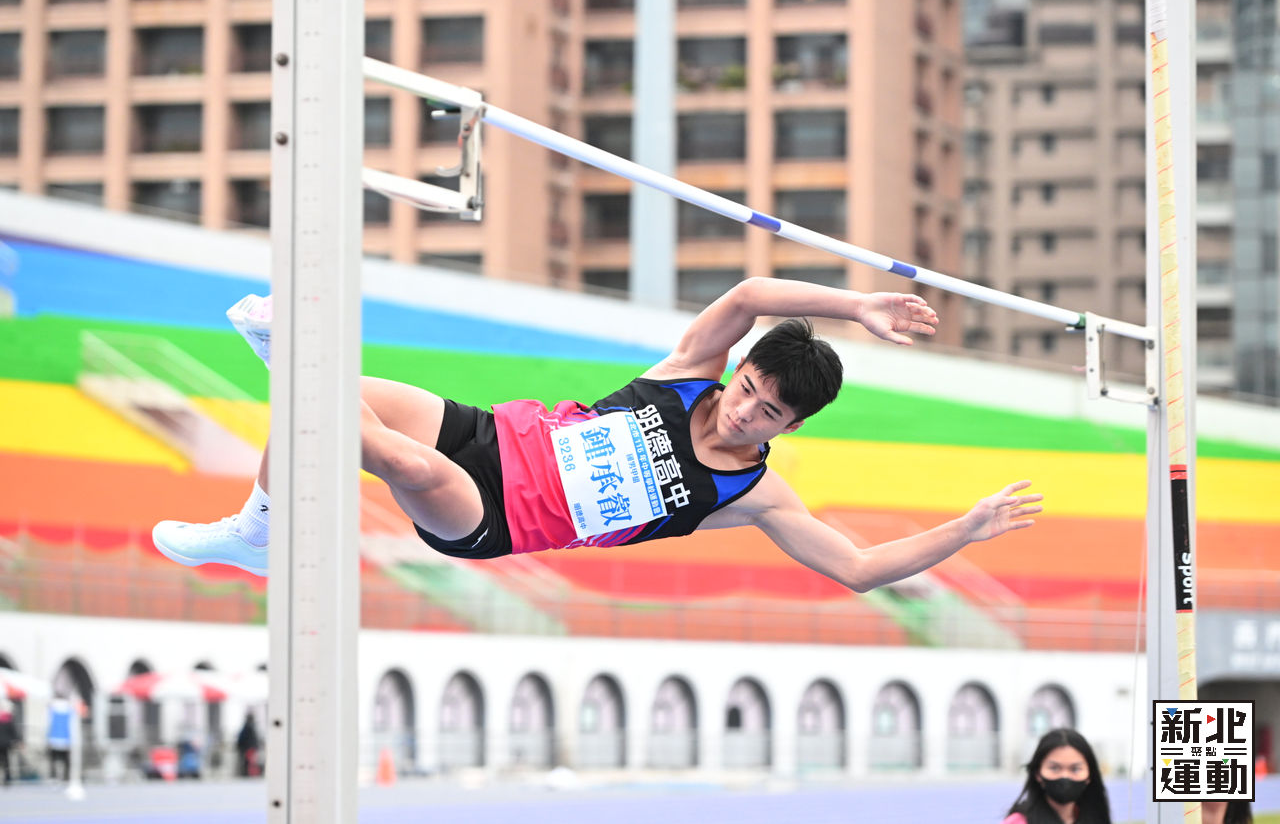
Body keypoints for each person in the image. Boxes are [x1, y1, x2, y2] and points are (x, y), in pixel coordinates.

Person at [153, 278, 1043, 591]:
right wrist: (855, 307)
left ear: (793, 425)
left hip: (490, 515)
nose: (745, 412)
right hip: (490, 433)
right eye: (749, 390)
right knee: (338, 398)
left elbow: (857, 568)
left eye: (768, 413)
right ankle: (260, 525)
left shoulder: (753, 493)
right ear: (739, 372)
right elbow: (746, 297)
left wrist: (965, 529)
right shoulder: (689, 371)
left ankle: (291, 361)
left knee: (391, 455)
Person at [1003, 728, 1111, 824]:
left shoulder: (1096, 818)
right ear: (1037, 773)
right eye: (1054, 768)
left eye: (1075, 769)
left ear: (1090, 774)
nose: (1065, 776)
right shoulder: (1018, 822)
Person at [46, 696, 72, 782]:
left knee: (53, 759)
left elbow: (48, 724)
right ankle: (66, 776)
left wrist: (47, 738)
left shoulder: (51, 710)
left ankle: (53, 775)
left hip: (53, 738)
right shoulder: (69, 710)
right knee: (66, 760)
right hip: (66, 739)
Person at [235, 712, 260, 777]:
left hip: (247, 748)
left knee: (248, 763)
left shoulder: (248, 727)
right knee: (249, 763)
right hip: (248, 748)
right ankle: (247, 774)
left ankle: (247, 774)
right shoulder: (250, 727)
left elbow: (242, 738)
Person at [0, 699, 18, 787]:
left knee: (4, 761)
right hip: (6, 743)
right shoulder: (9, 719)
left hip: (3, 743)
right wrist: (17, 740)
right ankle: (7, 778)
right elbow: (13, 732)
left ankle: (6, 777)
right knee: (6, 761)